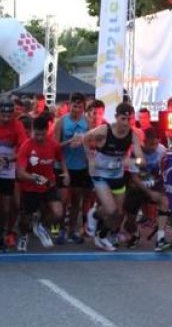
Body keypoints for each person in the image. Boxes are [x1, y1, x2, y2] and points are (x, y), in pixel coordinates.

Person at [82, 101, 145, 251]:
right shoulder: (105, 130)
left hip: (117, 174)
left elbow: (141, 160)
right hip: (100, 173)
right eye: (123, 119)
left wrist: (134, 160)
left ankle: (101, 232)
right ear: (116, 117)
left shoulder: (133, 135)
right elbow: (85, 138)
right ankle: (95, 219)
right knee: (110, 210)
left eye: (129, 120)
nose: (126, 123)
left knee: (118, 213)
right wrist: (90, 159)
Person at [15, 115, 69, 251]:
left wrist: (66, 173)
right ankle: (23, 236)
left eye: (42, 134)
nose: (39, 137)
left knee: (58, 212)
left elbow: (61, 159)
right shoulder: (26, 146)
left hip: (49, 185)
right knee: (26, 218)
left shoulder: (53, 145)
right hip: (30, 187)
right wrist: (36, 179)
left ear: (47, 131)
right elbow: (20, 173)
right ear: (33, 131)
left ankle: (40, 225)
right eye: (36, 134)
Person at [0, 98, 29, 250]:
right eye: (3, 115)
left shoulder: (17, 124)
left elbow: (23, 147)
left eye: (9, 116)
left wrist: (10, 158)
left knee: (6, 208)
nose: (6, 119)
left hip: (8, 167)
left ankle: (2, 232)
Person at [121, 128, 172, 251]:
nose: (154, 147)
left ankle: (161, 239)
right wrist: (149, 193)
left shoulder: (162, 150)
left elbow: (163, 167)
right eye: (151, 144)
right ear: (143, 142)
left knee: (164, 201)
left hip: (154, 182)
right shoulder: (135, 152)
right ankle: (135, 234)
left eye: (156, 143)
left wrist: (157, 187)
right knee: (130, 219)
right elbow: (134, 177)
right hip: (137, 184)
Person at [52, 92, 91, 244]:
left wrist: (84, 143)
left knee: (76, 201)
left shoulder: (87, 122)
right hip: (63, 166)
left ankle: (72, 230)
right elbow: (55, 147)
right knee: (63, 200)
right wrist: (69, 142)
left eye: (80, 106)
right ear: (70, 105)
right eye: (75, 106)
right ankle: (61, 229)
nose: (77, 109)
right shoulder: (61, 122)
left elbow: (90, 143)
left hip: (80, 166)